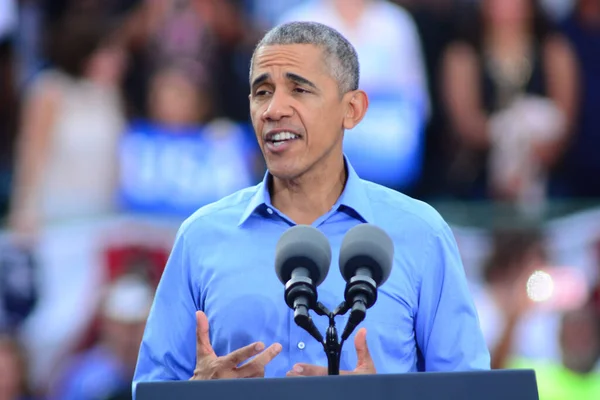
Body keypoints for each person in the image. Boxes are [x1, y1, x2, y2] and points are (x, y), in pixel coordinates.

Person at [133, 21, 490, 392]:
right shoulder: (200, 236)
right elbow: (150, 388)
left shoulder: (420, 233)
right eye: (262, 92)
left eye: (299, 89)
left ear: (351, 110)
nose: (273, 109)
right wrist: (197, 392)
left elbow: (473, 392)